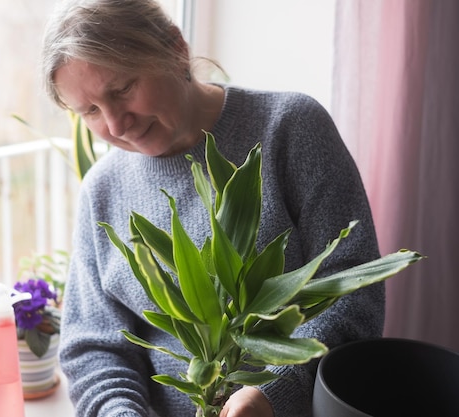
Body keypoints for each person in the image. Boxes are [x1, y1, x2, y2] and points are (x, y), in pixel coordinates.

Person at [41, 1, 384, 416]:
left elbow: (355, 292)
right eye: (91, 111)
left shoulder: (289, 128)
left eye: (123, 89)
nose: (115, 125)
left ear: (175, 49)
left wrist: (271, 393)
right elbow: (94, 347)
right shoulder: (103, 189)